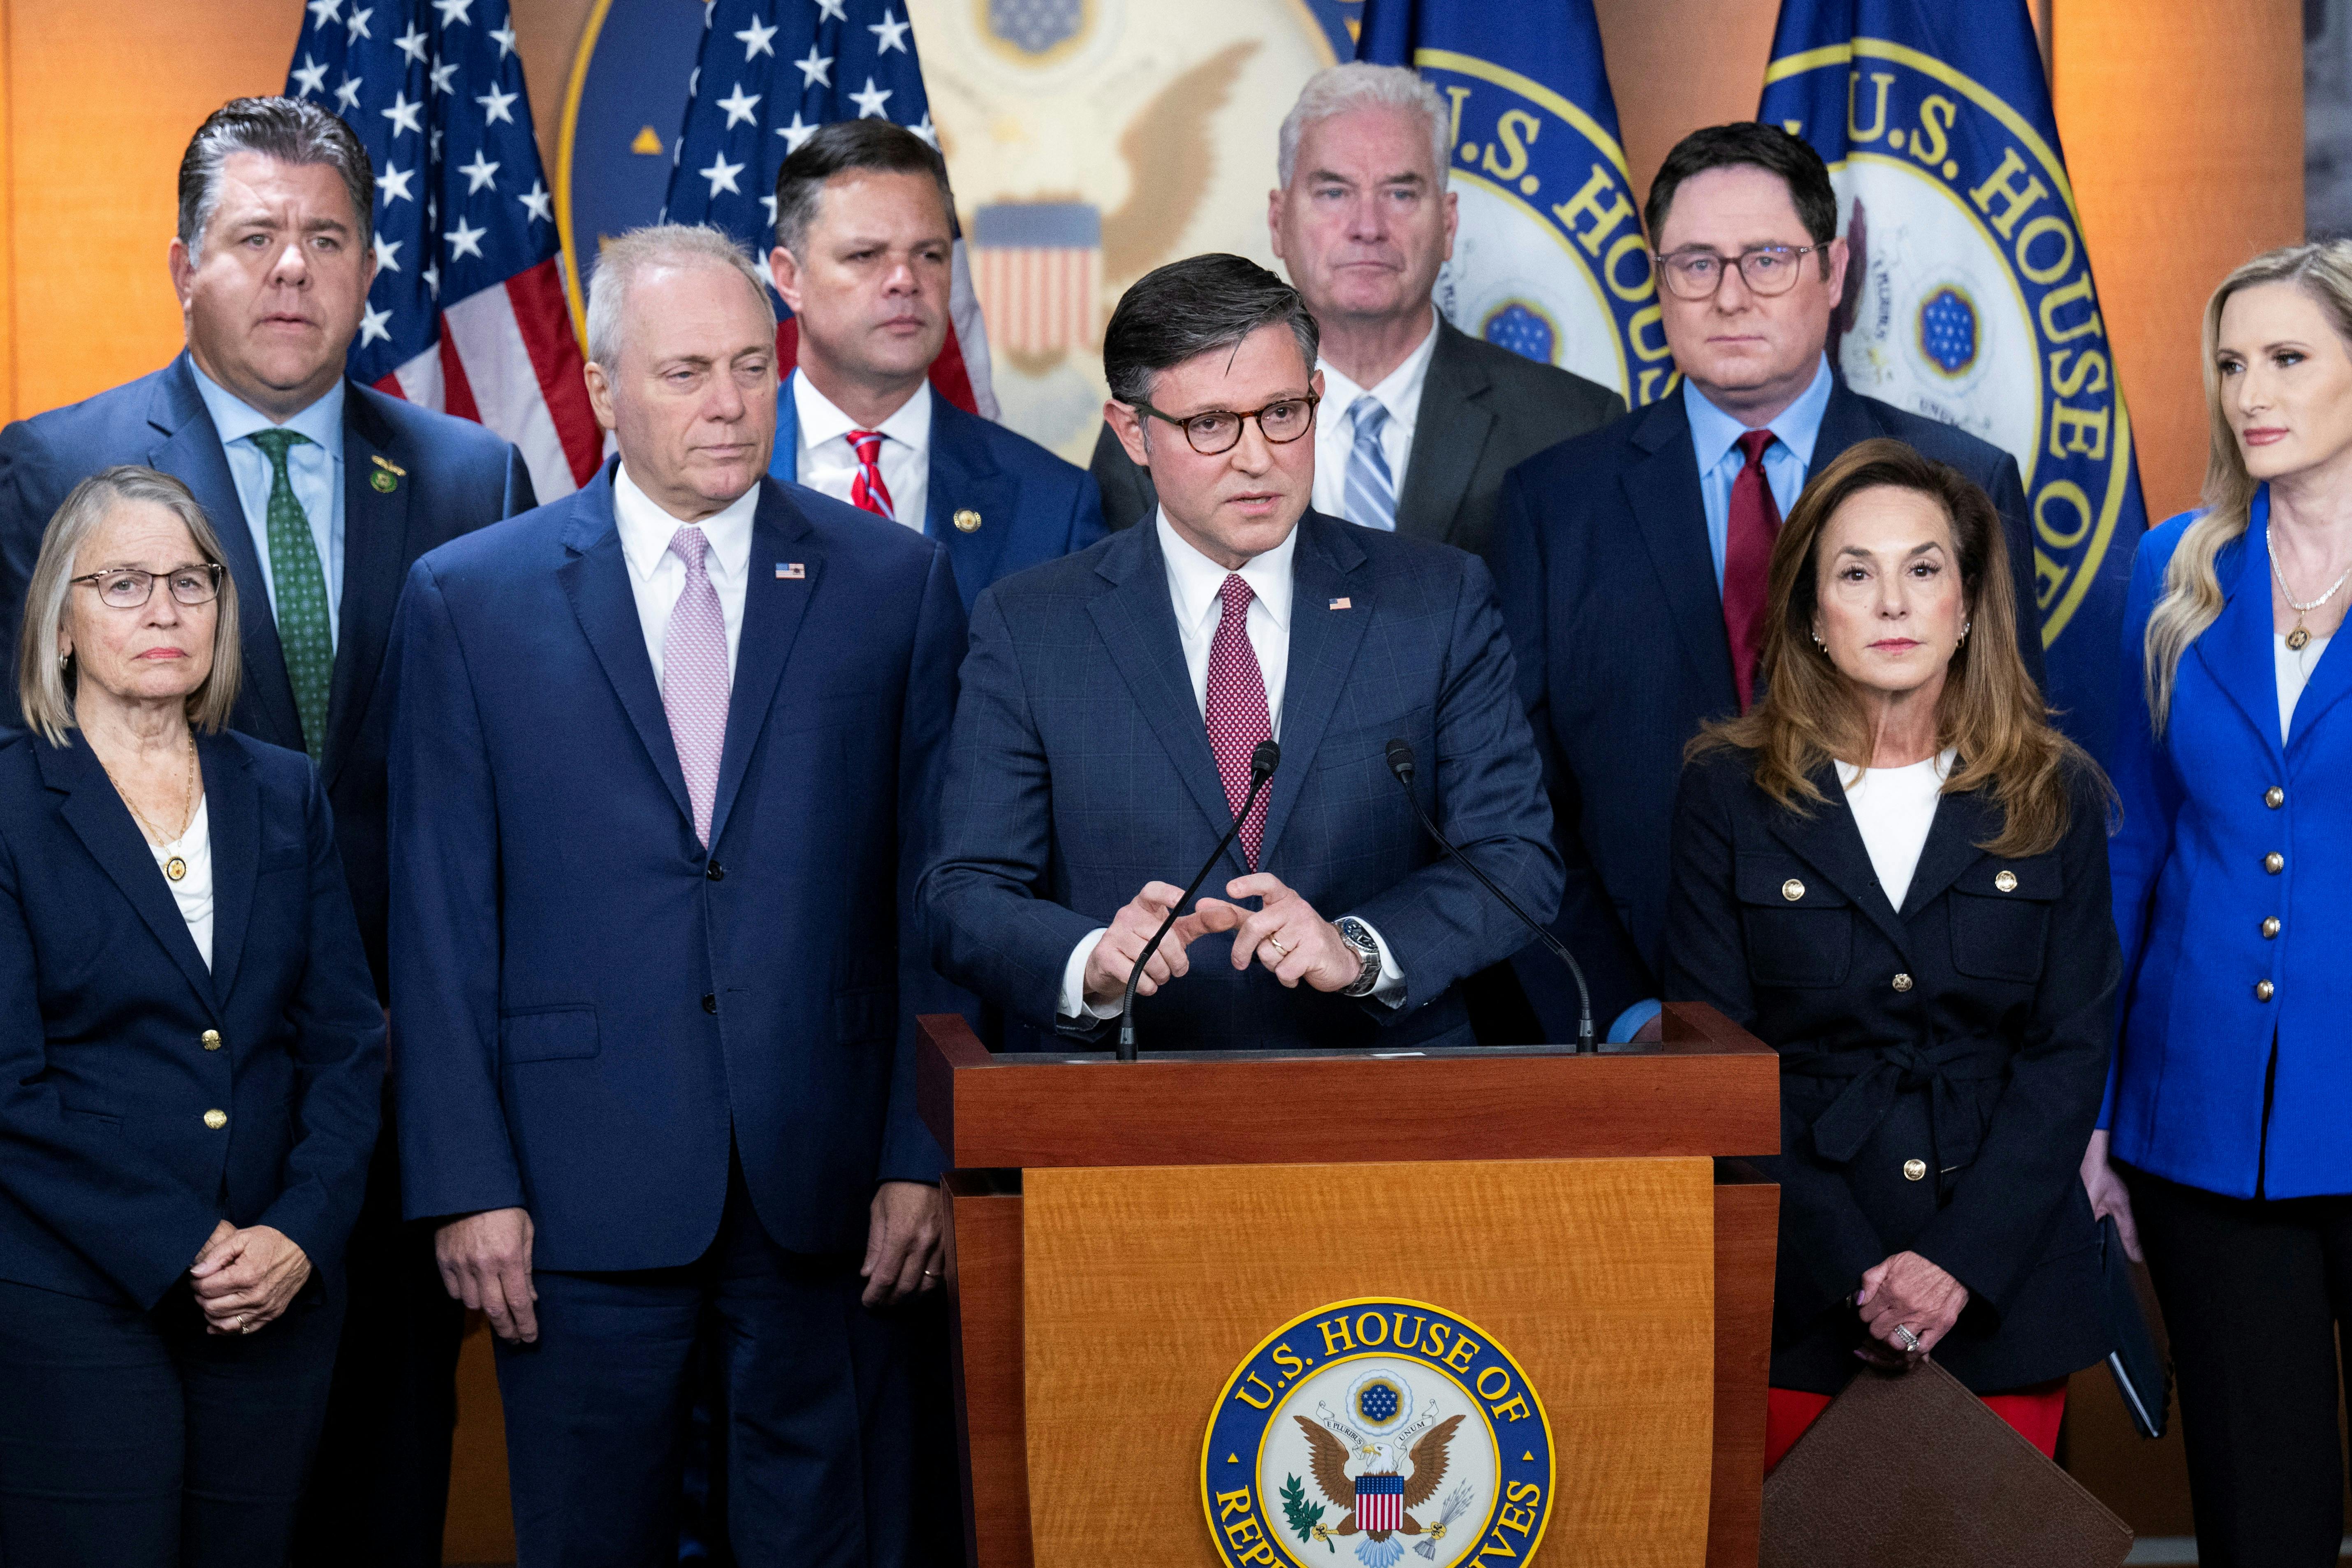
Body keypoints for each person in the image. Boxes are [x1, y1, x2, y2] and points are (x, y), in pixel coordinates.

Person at [0, 97, 535, 1567]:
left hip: (390, 1108)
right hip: (126, 1151)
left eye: (325, 238)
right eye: (254, 238)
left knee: (378, 1495)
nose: (291, 270)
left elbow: (506, 804)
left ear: (371, 265)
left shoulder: (471, 477)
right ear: (184, 264)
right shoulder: (49, 470)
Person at [389, 224, 963, 1567]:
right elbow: (436, 920)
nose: (726, 404)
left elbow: (928, 901)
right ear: (600, 388)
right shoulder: (470, 598)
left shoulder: (894, 583)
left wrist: (913, 1153)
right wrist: (467, 1181)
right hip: (574, 1199)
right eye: (687, 371)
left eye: (751, 368)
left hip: (823, 1192)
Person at [1496, 122, 2048, 1048]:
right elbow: (1517, 804)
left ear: (1834, 274)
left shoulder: (1962, 484)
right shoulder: (1555, 505)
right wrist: (1625, 1012)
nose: (1730, 296)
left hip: (1913, 1044)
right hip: (1649, 1033)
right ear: (1658, 281)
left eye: (1768, 259)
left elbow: (2003, 769)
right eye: (1695, 264)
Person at [924, 253, 1562, 1054]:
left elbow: (1514, 856)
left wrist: (1359, 948)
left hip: (1383, 1098)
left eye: (1282, 413)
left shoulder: (1437, 600)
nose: (1257, 457)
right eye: (1211, 424)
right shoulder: (1031, 625)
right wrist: (1090, 960)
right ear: (1133, 433)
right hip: (1124, 1106)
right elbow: (965, 890)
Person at [1663, 438, 2116, 1470]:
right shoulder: (1725, 792)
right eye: (1856, 573)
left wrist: (1956, 1263)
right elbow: (1715, 1055)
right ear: (1812, 614)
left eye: (1923, 569)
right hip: (1805, 1288)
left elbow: (2069, 1050)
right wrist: (1859, 1270)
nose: (1894, 602)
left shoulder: (2056, 790)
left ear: (1967, 604)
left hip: (1999, 1288)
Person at [0, 466, 384, 1566]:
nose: (164, 608)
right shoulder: (14, 804)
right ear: (61, 619)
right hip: (74, 1298)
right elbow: (9, 1088)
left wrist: (298, 1233)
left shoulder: (281, 788)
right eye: (122, 582)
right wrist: (185, 1246)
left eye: (191, 580)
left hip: (274, 1292)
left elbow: (347, 1043)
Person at [2082, 241, 2352, 1568]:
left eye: (2287, 358)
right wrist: (2089, 1109)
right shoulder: (2171, 568)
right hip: (2199, 1124)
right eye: (2230, 363)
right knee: (2258, 1519)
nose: (2249, 391)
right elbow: (2127, 848)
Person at [1087, 63, 1622, 555]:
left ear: (1448, 223)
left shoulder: (1570, 427)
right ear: (1278, 220)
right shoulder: (1162, 428)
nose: (1367, 227)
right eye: (1334, 192)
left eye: (1400, 194)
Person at [767, 120, 1104, 613]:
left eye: (929, 254)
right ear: (789, 278)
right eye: (865, 255)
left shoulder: (1053, 504)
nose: (905, 280)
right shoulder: (711, 476)